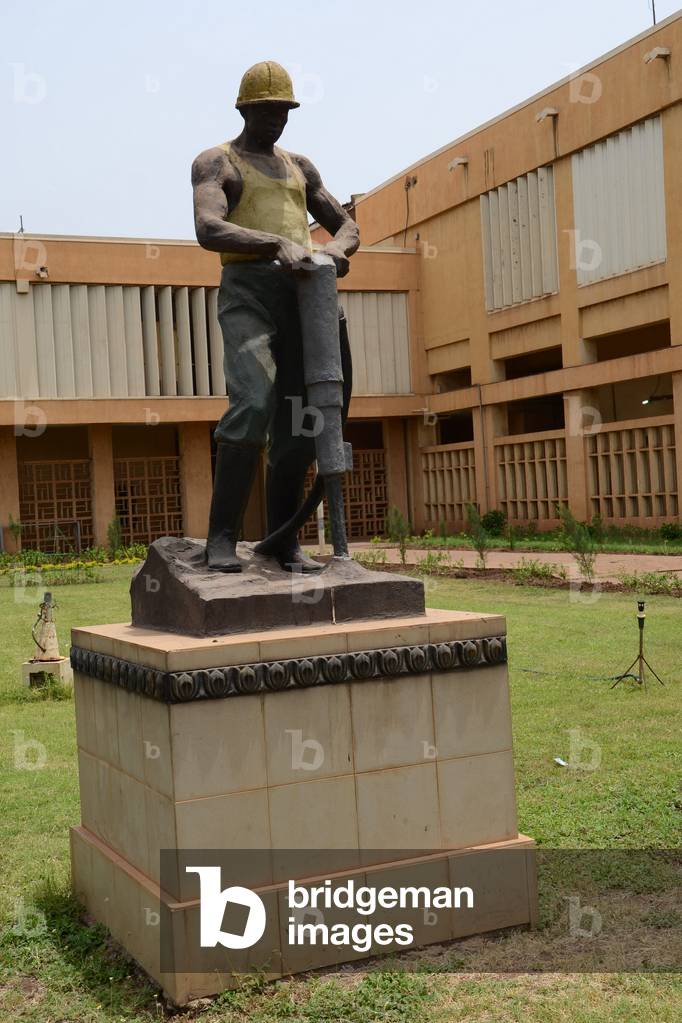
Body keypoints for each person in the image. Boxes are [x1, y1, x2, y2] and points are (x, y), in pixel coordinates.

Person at [191, 61, 359, 572]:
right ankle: (221, 538)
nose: (276, 120)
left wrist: (335, 251)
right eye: (266, 111)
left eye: (283, 112)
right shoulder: (217, 162)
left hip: (303, 295)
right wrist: (274, 243)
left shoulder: (299, 167)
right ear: (244, 109)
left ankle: (283, 541)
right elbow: (208, 227)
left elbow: (346, 225)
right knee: (252, 400)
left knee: (301, 421)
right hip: (249, 292)